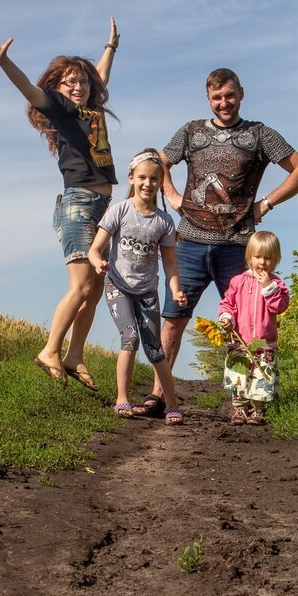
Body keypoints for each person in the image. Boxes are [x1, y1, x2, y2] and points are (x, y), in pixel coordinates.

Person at [129, 68, 298, 418]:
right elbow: (157, 161)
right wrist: (171, 193)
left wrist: (266, 203)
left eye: (229, 95)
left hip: (238, 245)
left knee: (248, 322)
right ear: (208, 99)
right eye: (217, 97)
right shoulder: (191, 131)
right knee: (173, 320)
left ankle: (247, 402)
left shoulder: (260, 134)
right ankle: (159, 397)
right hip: (190, 242)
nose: (224, 103)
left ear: (241, 93)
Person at [0, 21, 120, 391]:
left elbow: (98, 78)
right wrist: (3, 62)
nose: (79, 86)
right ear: (57, 87)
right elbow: (28, 88)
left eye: (82, 82)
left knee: (97, 287)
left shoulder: (91, 111)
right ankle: (50, 350)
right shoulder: (57, 106)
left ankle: (74, 355)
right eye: (70, 81)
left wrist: (110, 47)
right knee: (82, 283)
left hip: (104, 204)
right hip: (79, 205)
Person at [88, 150, 188, 426]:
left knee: (155, 349)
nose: (147, 184)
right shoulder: (119, 211)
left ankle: (171, 404)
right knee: (129, 338)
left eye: (154, 179)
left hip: (147, 292)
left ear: (160, 181)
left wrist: (176, 290)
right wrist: (98, 263)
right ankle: (122, 399)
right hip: (117, 286)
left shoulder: (164, 222)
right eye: (142, 178)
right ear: (131, 178)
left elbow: (169, 263)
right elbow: (95, 249)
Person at [217, 231, 290, 426]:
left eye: (268, 258)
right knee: (239, 375)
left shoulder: (277, 284)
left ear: (276, 260)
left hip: (264, 342)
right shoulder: (238, 281)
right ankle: (240, 408)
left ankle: (258, 409)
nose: (262, 262)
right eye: (258, 257)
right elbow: (227, 304)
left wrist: (268, 287)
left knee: (262, 375)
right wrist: (226, 318)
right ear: (249, 257)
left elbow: (280, 307)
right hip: (241, 340)